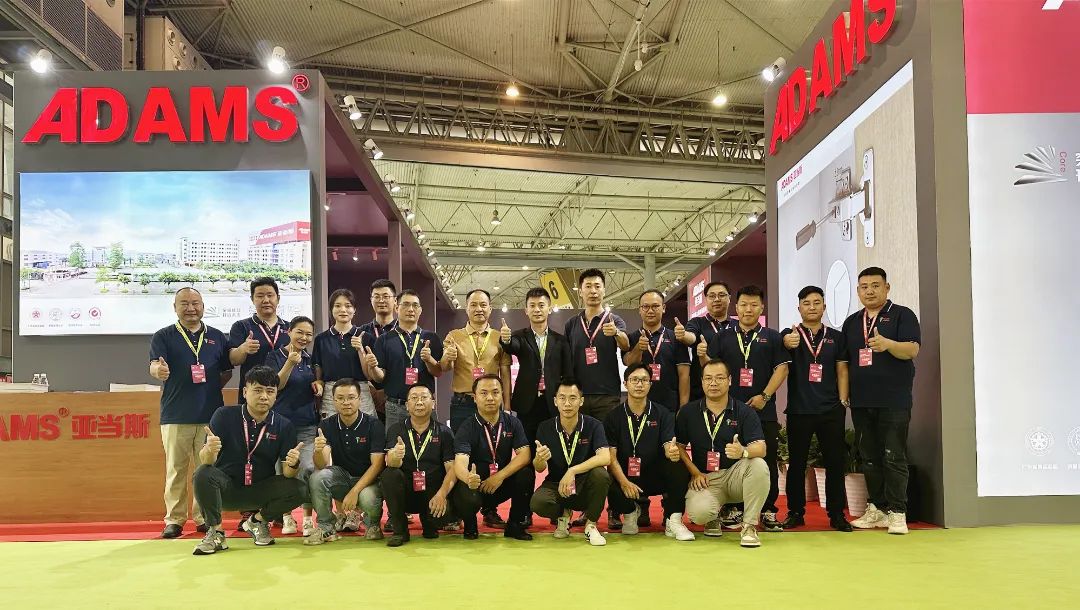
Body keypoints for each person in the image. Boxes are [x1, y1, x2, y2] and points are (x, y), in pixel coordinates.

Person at [190, 366, 307, 556]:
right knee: (202, 473)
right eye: (258, 390)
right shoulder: (224, 415)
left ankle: (258, 522)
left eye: (270, 391)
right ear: (245, 392)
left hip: (260, 490)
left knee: (300, 489)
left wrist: (293, 463)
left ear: (276, 395)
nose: (264, 396)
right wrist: (209, 450)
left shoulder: (283, 425)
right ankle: (215, 532)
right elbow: (206, 461)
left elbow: (288, 474)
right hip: (226, 488)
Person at [842, 267, 920, 535]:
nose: (870, 291)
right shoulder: (852, 322)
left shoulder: (902, 315)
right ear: (858, 291)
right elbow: (845, 362)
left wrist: (889, 344)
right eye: (864, 287)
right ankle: (877, 508)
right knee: (869, 457)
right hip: (862, 401)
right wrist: (845, 394)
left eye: (875, 285)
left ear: (887, 288)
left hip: (894, 400)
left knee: (893, 456)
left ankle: (898, 513)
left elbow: (912, 349)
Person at [705, 285, 789, 532]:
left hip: (763, 410)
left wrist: (765, 396)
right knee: (732, 459)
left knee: (766, 460)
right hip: (730, 412)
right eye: (743, 304)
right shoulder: (722, 337)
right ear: (736, 307)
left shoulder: (773, 337)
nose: (748, 309)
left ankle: (768, 510)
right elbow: (713, 369)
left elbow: (782, 368)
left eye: (753, 305)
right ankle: (735, 508)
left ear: (762, 307)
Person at [149, 287, 231, 538]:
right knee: (176, 469)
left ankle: (204, 517)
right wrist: (158, 371)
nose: (191, 308)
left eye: (195, 303)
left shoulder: (217, 336)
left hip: (210, 416)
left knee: (206, 469)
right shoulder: (163, 336)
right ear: (175, 307)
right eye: (184, 303)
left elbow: (226, 371)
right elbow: (154, 366)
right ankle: (174, 520)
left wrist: (210, 388)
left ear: (203, 306)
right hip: (176, 414)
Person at [779, 286, 852, 532]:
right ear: (799, 308)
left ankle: (836, 515)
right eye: (806, 303)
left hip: (831, 410)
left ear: (824, 306)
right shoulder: (790, 335)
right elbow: (782, 352)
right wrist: (786, 342)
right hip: (799, 411)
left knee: (834, 464)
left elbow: (842, 370)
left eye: (817, 302)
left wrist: (843, 402)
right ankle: (795, 513)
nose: (812, 307)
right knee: (797, 465)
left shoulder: (836, 337)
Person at [676, 360, 770, 548]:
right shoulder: (688, 412)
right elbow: (679, 447)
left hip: (735, 476)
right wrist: (694, 472)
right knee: (699, 514)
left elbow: (761, 448)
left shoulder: (744, 411)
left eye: (719, 378)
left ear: (730, 380)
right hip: (706, 479)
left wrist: (743, 451)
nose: (713, 383)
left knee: (758, 465)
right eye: (708, 378)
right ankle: (713, 518)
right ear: (702, 381)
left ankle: (749, 526)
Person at [604, 363, 694, 541]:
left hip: (654, 475)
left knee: (678, 466)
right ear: (625, 383)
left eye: (644, 380)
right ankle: (630, 513)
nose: (639, 384)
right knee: (606, 478)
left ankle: (673, 519)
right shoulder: (613, 417)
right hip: (626, 477)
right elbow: (611, 458)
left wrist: (671, 452)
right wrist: (624, 482)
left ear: (650, 384)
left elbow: (668, 444)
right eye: (634, 380)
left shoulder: (663, 413)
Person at [451, 374, 534, 540]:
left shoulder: (512, 422)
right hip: (476, 485)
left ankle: (515, 524)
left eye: (495, 392)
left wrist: (499, 476)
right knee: (464, 489)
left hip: (499, 484)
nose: (490, 397)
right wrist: (469, 478)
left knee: (526, 473)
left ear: (502, 395)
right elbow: (459, 463)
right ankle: (470, 525)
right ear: (475, 398)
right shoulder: (466, 427)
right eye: (484, 393)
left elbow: (525, 455)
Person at [530, 381, 611, 546]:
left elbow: (605, 457)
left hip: (584, 484)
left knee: (601, 475)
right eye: (562, 398)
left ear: (581, 401)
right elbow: (539, 468)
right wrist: (539, 459)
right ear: (555, 401)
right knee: (537, 503)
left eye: (573, 398)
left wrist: (573, 470)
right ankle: (563, 516)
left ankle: (591, 525)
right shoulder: (545, 427)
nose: (567, 403)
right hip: (556, 483)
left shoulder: (594, 425)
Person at [305, 378, 386, 545]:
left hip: (368, 481)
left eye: (351, 397)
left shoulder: (374, 425)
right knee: (317, 477)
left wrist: (355, 491)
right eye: (340, 398)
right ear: (334, 401)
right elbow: (321, 465)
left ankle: (372, 525)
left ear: (359, 399)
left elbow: (377, 465)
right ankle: (326, 528)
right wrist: (318, 451)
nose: (346, 402)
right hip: (342, 478)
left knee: (368, 497)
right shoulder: (326, 425)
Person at [381, 384, 460, 547]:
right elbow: (391, 463)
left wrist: (442, 495)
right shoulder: (395, 430)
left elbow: (451, 469)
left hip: (433, 494)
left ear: (433, 403)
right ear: (407, 405)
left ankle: (429, 521)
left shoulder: (444, 432)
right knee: (389, 474)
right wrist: (396, 455)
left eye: (424, 397)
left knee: (437, 525)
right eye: (414, 398)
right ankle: (400, 530)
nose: (419, 402)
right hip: (406, 493)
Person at [265, 315, 321, 536]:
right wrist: (289, 362)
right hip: (281, 426)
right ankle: (287, 517)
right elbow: (275, 386)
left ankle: (307, 518)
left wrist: (318, 384)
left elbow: (315, 381)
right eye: (300, 332)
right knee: (283, 472)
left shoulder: (310, 359)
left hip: (307, 424)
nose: (304, 337)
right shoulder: (274, 356)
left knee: (307, 469)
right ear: (289, 331)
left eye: (309, 334)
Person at [362, 289, 443, 431]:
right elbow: (380, 378)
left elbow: (438, 372)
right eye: (405, 305)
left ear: (420, 310)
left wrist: (429, 360)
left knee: (430, 443)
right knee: (394, 444)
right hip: (395, 406)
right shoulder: (384, 340)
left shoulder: (431, 338)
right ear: (396, 308)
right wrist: (373, 367)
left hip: (424, 404)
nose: (410, 309)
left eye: (415, 305)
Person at [499, 287, 572, 443]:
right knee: (526, 447)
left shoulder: (561, 340)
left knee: (554, 447)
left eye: (541, 305)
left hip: (553, 402)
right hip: (528, 403)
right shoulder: (519, 336)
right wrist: (506, 339)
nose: (537, 309)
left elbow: (568, 374)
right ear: (526, 310)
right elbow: (512, 346)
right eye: (532, 306)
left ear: (549, 309)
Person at [440, 289, 512, 431]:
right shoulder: (454, 336)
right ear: (466, 309)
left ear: (490, 309)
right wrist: (447, 357)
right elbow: (444, 367)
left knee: (491, 443)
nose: (479, 309)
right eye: (473, 305)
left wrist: (507, 407)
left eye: (483, 305)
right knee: (461, 443)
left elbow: (505, 374)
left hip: (491, 402)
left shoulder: (499, 337)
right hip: (462, 404)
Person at [564, 269, 630, 421]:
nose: (593, 291)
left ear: (604, 291)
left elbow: (626, 346)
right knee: (580, 435)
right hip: (578, 394)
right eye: (588, 286)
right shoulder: (571, 323)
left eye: (597, 286)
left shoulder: (614, 320)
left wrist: (616, 332)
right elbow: (566, 358)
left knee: (606, 435)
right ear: (580, 292)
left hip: (607, 395)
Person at [622, 289, 691, 412]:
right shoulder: (631, 338)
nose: (650, 311)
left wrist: (683, 409)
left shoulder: (675, 338)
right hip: (639, 406)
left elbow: (684, 376)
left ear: (663, 308)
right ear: (639, 310)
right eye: (645, 307)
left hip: (670, 406)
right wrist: (638, 348)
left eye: (655, 306)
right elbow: (629, 363)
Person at [311, 288, 373, 419]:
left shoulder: (366, 337)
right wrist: (319, 385)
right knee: (330, 429)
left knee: (365, 428)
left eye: (348, 306)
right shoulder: (321, 339)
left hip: (360, 392)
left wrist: (360, 349)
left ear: (354, 310)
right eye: (337, 306)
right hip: (331, 394)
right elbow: (318, 370)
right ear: (331, 310)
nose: (343, 310)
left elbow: (369, 375)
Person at [229, 277, 290, 396]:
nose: (266, 300)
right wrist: (243, 349)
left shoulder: (290, 328)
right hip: (254, 392)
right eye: (260, 296)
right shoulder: (241, 326)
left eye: (270, 295)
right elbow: (233, 360)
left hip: (284, 393)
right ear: (252, 299)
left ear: (278, 298)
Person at [678, 281, 735, 401]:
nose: (717, 299)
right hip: (701, 391)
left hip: (733, 390)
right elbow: (691, 337)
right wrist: (683, 335)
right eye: (712, 296)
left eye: (721, 295)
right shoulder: (697, 322)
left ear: (729, 298)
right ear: (706, 299)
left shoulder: (737, 326)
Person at [357, 279, 399, 417]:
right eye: (376, 296)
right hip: (369, 399)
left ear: (395, 301)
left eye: (386, 296)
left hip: (399, 398)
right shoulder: (361, 332)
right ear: (371, 300)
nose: (381, 300)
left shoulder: (404, 330)